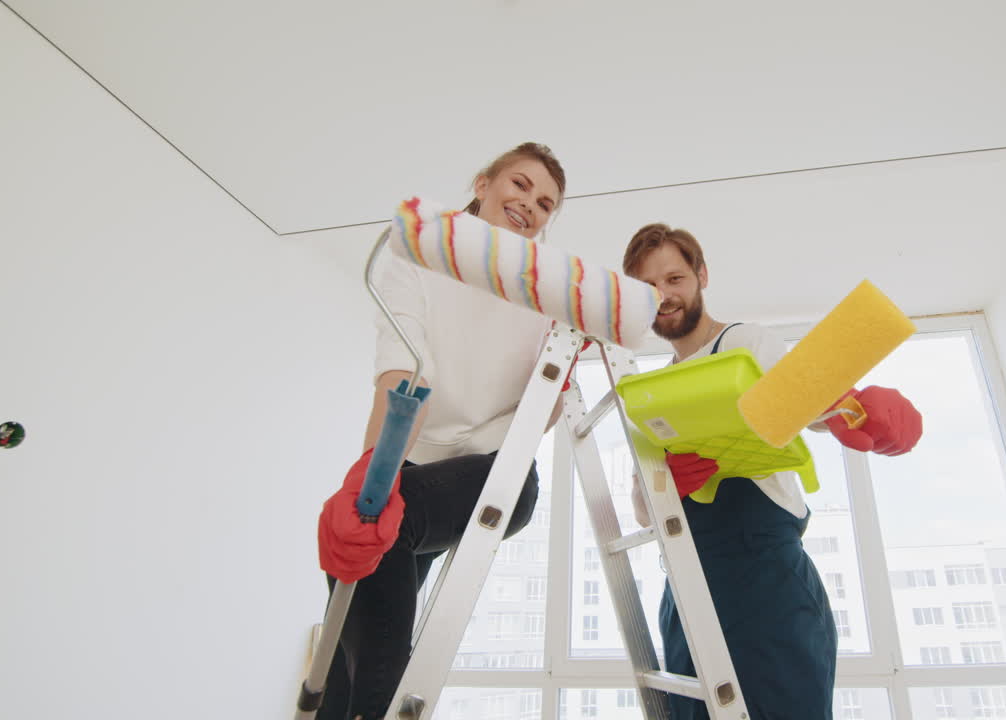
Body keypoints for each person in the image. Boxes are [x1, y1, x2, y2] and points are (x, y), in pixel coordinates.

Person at [623, 223, 923, 720]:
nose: (664, 296)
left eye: (674, 279)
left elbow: (798, 400)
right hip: (685, 591)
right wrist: (662, 488)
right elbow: (641, 511)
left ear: (701, 276)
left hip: (761, 582)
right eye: (649, 287)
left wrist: (855, 410)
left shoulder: (742, 343)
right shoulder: (652, 392)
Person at [316, 142, 568, 720]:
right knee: (350, 562)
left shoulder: (544, 293)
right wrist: (369, 478)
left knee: (391, 519)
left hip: (499, 471)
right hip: (418, 461)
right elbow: (405, 374)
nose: (531, 204)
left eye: (547, 203)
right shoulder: (416, 256)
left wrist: (558, 383)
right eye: (521, 185)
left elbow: (544, 415)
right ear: (483, 184)